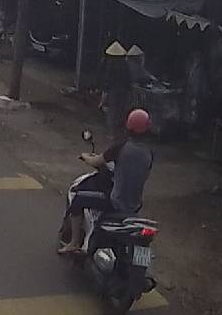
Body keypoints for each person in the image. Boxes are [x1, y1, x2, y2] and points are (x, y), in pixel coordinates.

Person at [58, 109, 155, 254]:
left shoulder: (121, 147)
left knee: (78, 199)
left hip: (115, 202)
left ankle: (74, 242)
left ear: (128, 127)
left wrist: (86, 157)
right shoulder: (149, 153)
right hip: (135, 205)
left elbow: (97, 161)